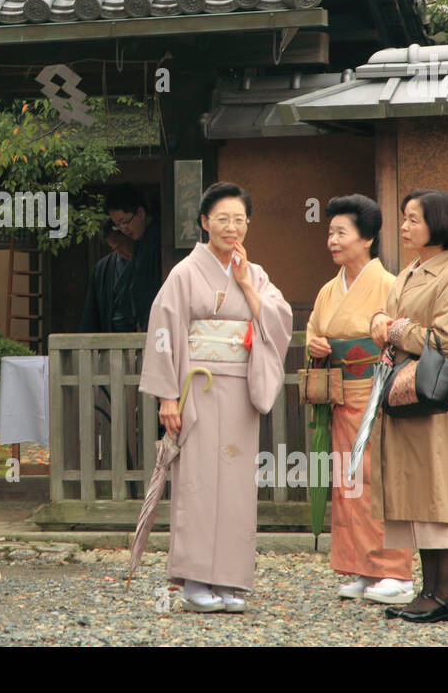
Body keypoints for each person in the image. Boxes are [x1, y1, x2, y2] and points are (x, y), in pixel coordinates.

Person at [139, 182, 292, 612]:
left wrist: (246, 285)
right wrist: (168, 397)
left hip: (241, 390)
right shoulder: (185, 273)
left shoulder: (254, 273)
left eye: (239, 220)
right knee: (198, 483)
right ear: (205, 222)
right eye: (222, 219)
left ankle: (229, 581)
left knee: (237, 487)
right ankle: (193, 581)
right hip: (197, 388)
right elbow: (164, 331)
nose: (231, 227)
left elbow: (280, 320)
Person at [369, 189, 448, 623]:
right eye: (404, 218)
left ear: (437, 223)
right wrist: (381, 323)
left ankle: (444, 593)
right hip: (399, 392)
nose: (405, 226)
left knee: (435, 489)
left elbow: (446, 340)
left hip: (427, 395)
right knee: (413, 490)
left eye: (413, 219)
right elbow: (394, 324)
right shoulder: (409, 272)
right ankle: (428, 590)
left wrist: (391, 328)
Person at [305, 195, 415, 605]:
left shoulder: (390, 285)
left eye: (341, 232)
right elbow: (315, 331)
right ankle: (360, 566)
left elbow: (405, 337)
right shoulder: (328, 290)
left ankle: (394, 570)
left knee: (377, 481)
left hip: (376, 395)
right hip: (340, 397)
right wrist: (315, 344)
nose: (332, 240)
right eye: (330, 232)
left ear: (367, 238)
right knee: (347, 482)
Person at [105, 184, 161, 331]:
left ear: (140, 213)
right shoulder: (140, 243)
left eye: (124, 222)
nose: (124, 229)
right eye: (118, 225)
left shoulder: (158, 240)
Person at [79, 221, 137, 332]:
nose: (120, 252)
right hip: (111, 332)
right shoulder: (103, 267)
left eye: (120, 245)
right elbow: (91, 311)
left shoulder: (146, 261)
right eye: (115, 248)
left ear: (128, 235)